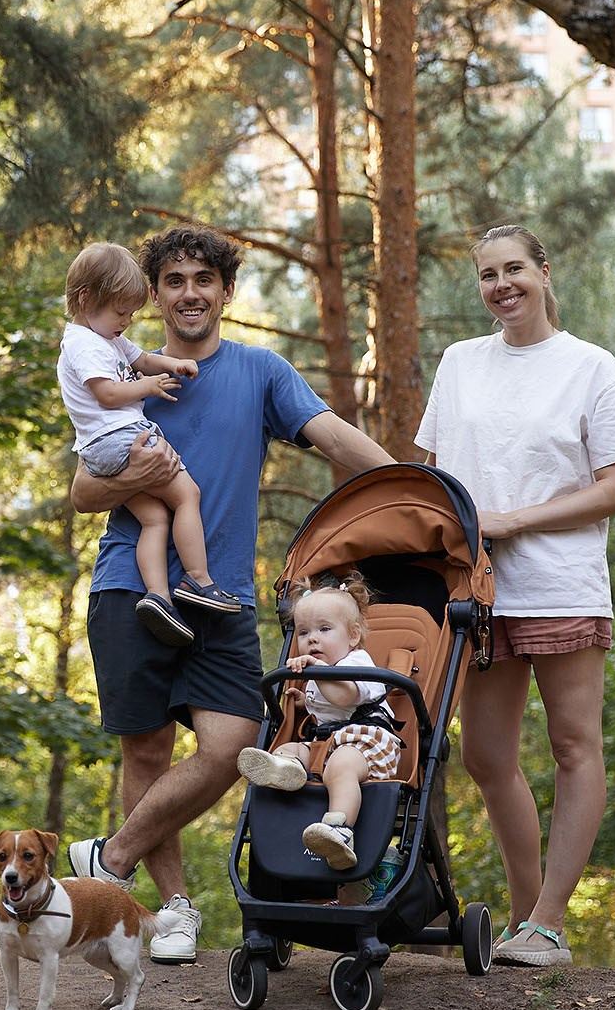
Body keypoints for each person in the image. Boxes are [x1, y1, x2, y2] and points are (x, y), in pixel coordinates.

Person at [62, 224, 394, 965]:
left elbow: (336, 436)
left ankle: (110, 857)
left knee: (234, 741)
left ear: (225, 292)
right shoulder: (117, 368)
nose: (189, 293)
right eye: (174, 280)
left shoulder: (258, 371)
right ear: (154, 294)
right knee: (146, 748)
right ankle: (173, 907)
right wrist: (146, 472)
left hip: (224, 599)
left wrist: (416, 484)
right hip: (131, 583)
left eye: (202, 280)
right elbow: (85, 487)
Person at [414, 223, 615, 969]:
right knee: (487, 755)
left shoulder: (590, 366)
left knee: (574, 745)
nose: (501, 285)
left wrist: (514, 519)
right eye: (487, 274)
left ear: (544, 272)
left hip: (559, 581)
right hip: (475, 588)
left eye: (514, 268)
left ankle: (550, 922)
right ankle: (525, 917)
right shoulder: (459, 363)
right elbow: (432, 469)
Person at [56, 242, 242, 647]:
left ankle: (157, 596)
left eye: (132, 312)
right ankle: (199, 581)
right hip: (121, 439)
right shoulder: (83, 344)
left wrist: (170, 364)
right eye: (121, 311)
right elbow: (107, 394)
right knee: (187, 495)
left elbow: (141, 359)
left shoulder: (105, 337)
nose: (127, 321)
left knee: (154, 519)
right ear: (87, 299)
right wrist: (151, 387)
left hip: (104, 450)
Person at [234, 574, 405, 870]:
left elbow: (344, 696)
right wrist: (304, 702)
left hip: (367, 744)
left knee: (340, 766)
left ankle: (339, 829)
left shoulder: (357, 663)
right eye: (303, 632)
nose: (312, 638)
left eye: (324, 629)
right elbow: (328, 709)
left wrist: (318, 672)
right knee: (292, 748)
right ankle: (284, 769)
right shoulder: (320, 672)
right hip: (327, 743)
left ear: (352, 636)